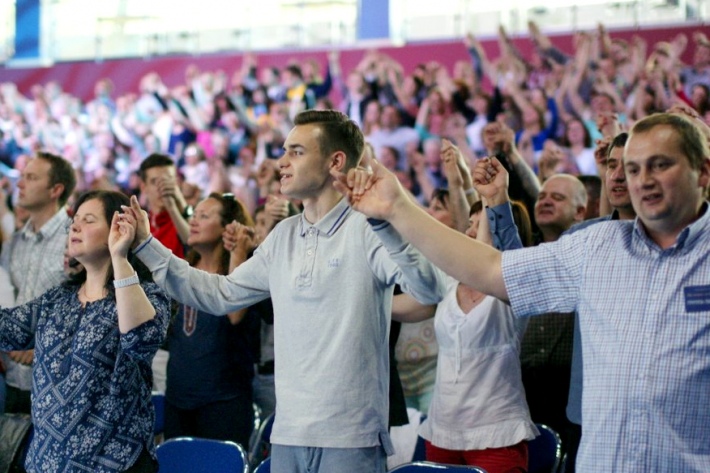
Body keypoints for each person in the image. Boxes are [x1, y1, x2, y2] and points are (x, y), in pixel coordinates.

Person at [335, 112, 710, 472]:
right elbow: (489, 269)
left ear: (703, 172)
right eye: (633, 168)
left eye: (660, 165)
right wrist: (397, 208)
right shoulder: (595, 247)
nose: (642, 180)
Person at [125, 109, 446, 473]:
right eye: (284, 151)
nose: (282, 162)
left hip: (350, 437)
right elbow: (221, 294)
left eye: (296, 151)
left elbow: (428, 289)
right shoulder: (283, 236)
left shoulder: (369, 228)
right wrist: (147, 245)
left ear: (334, 161)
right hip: (288, 432)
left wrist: (385, 221)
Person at [0, 190, 169, 472]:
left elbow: (142, 338)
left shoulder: (148, 294)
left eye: (88, 220)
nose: (75, 226)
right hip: (48, 462)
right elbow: (6, 329)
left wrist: (120, 255)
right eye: (74, 220)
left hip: (114, 462)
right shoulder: (57, 300)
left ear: (119, 228)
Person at [393, 157, 538, 472]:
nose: (469, 231)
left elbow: (502, 253)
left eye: (478, 223)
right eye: (468, 224)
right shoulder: (446, 280)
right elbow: (394, 307)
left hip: (496, 432)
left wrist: (494, 199)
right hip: (442, 431)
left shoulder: (514, 286)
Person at [162, 193, 256, 448]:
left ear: (228, 226)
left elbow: (235, 313)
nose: (193, 221)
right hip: (178, 401)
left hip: (223, 403)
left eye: (204, 216)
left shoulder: (245, 271)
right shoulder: (183, 272)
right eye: (194, 215)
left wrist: (238, 252)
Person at [0, 152, 77, 415]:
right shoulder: (14, 244)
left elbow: (89, 309)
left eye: (31, 178)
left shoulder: (75, 240)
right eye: (21, 177)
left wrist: (44, 344)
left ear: (56, 189)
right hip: (14, 379)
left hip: (57, 384)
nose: (20, 184)